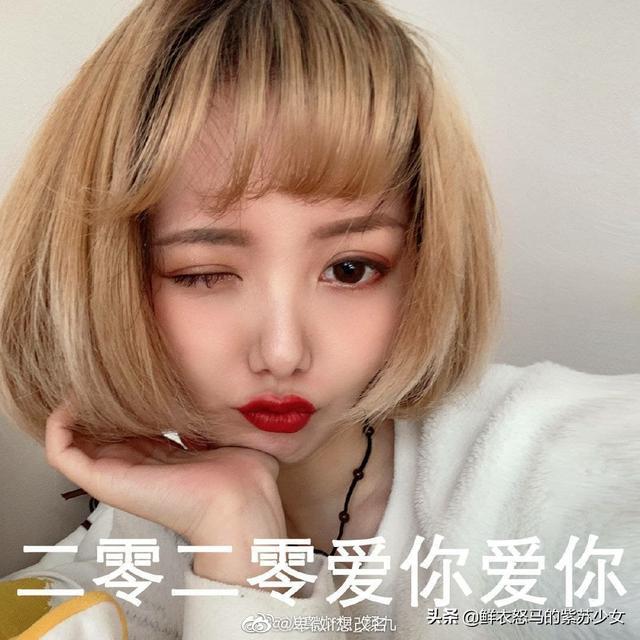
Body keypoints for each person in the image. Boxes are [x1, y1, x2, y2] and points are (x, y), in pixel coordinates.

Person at [0, 1, 638, 638]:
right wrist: (237, 531)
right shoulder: (139, 518)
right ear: (107, 278)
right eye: (202, 274)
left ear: (424, 264)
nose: (283, 352)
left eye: (351, 269)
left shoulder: (575, 464)